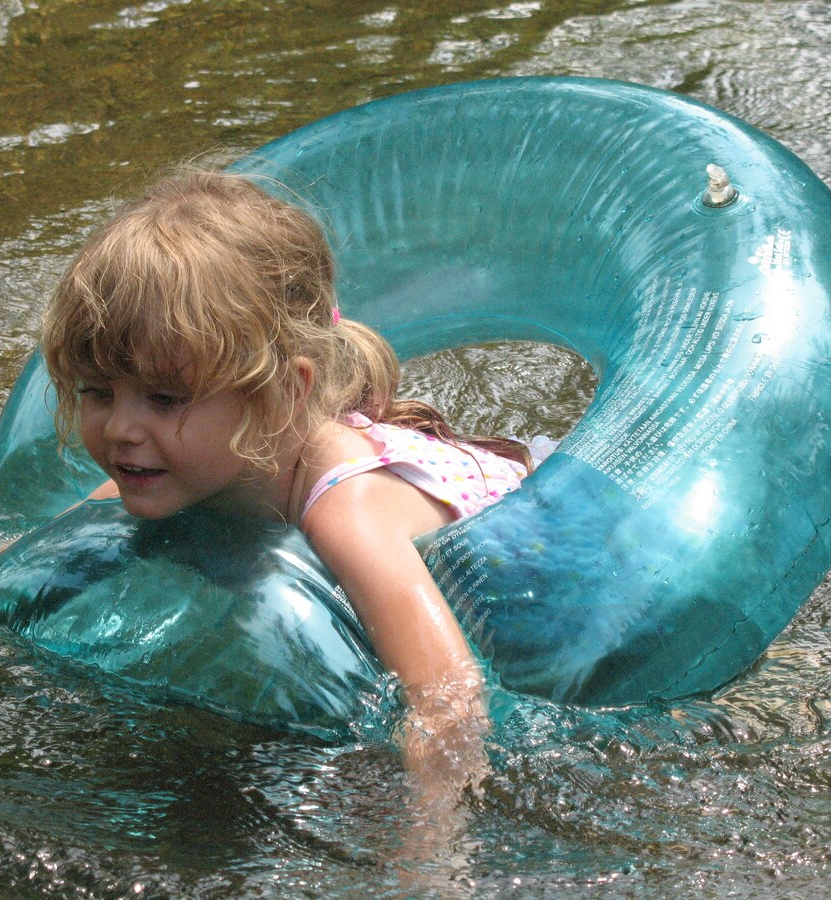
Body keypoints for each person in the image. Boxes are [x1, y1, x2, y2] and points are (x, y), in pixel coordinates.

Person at [39, 168, 532, 786]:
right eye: (98, 393)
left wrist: (427, 853)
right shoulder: (156, 470)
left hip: (541, 561)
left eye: (164, 399)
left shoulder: (347, 512)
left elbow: (449, 699)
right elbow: (14, 566)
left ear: (282, 393)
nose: (120, 429)